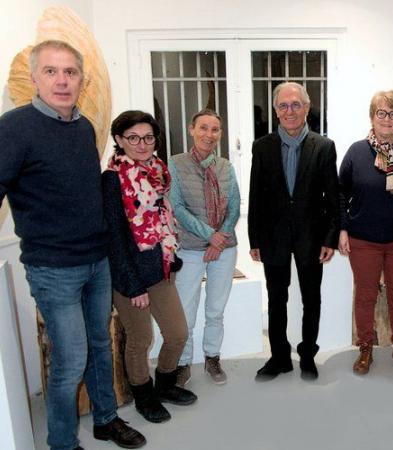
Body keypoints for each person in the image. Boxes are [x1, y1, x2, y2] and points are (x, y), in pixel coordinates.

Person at [0, 40, 145, 450]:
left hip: (96, 261)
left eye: (70, 72)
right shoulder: (14, 127)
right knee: (69, 362)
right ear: (34, 79)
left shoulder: (83, 127)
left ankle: (105, 420)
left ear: (82, 79)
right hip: (53, 267)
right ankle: (62, 443)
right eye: (51, 71)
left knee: (100, 345)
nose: (62, 80)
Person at [103, 110, 197, 424]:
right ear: (119, 140)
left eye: (147, 137)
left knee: (177, 333)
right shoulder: (112, 180)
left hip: (160, 268)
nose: (142, 144)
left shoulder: (157, 171)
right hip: (130, 276)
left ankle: (165, 385)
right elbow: (115, 239)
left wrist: (170, 255)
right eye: (133, 138)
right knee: (141, 339)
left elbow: (162, 221)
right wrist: (133, 285)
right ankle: (144, 397)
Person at [248, 82, 340, 381]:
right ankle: (279, 357)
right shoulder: (262, 147)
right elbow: (256, 196)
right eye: (283, 105)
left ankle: (308, 356)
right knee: (277, 299)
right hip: (273, 237)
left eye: (295, 105)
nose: (290, 111)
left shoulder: (323, 147)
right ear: (275, 110)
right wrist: (254, 238)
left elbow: (333, 197)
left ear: (307, 108)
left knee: (311, 299)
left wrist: (330, 238)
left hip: (311, 238)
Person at [338, 90, 393, 375]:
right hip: (363, 240)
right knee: (365, 297)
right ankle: (365, 347)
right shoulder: (357, 152)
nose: (387, 119)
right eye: (381, 113)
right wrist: (342, 228)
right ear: (372, 117)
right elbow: (340, 193)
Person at [169, 109, 241, 387]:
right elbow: (178, 208)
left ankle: (212, 357)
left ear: (220, 134)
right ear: (191, 129)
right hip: (190, 248)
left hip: (224, 249)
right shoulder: (175, 164)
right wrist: (210, 236)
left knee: (215, 309)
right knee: (185, 311)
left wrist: (220, 238)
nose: (209, 135)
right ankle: (183, 362)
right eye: (203, 128)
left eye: (214, 130)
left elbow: (234, 206)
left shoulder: (226, 166)